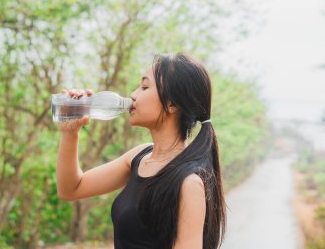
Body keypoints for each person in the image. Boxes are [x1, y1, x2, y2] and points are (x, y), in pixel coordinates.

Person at [56, 53, 226, 249]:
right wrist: (70, 133)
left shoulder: (188, 183)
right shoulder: (139, 156)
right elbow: (71, 189)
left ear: (172, 104)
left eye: (145, 87)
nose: (133, 95)